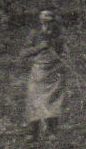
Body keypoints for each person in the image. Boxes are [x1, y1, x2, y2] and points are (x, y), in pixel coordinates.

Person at [22, 9, 65, 139]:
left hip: (54, 70)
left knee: (53, 99)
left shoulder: (59, 34)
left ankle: (51, 131)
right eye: (45, 15)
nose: (47, 19)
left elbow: (65, 50)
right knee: (34, 98)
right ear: (40, 18)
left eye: (50, 16)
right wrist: (39, 47)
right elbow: (24, 52)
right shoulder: (34, 34)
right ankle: (33, 131)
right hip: (39, 70)